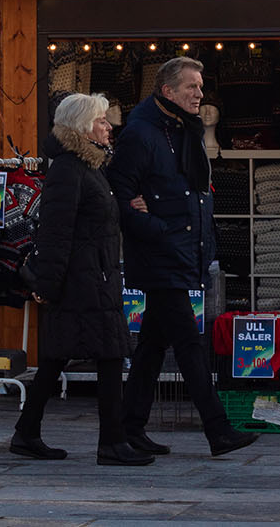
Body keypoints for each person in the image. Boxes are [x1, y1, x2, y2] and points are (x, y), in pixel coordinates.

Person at [107, 57, 257, 457]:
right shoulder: (141, 133)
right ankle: (218, 429)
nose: (200, 94)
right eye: (191, 86)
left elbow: (190, 193)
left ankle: (130, 425)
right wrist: (156, 229)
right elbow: (119, 194)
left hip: (182, 248)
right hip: (160, 253)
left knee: (153, 344)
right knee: (190, 342)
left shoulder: (181, 129)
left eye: (201, 86)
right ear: (168, 91)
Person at [11, 93, 150, 466]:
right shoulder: (68, 170)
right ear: (82, 127)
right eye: (101, 121)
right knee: (107, 355)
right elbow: (55, 234)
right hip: (81, 280)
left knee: (61, 356)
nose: (109, 127)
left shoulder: (90, 167)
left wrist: (127, 207)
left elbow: (94, 216)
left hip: (95, 275)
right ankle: (111, 442)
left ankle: (27, 432)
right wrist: (46, 286)